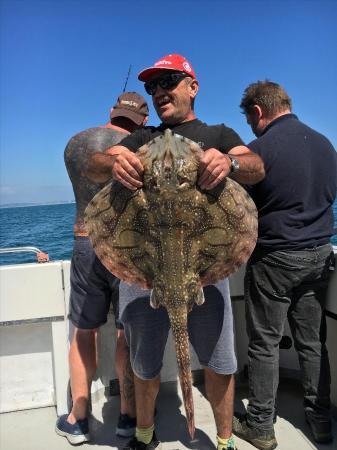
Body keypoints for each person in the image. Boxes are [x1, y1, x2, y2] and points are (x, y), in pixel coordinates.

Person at [87, 54, 265, 450]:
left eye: (169, 81)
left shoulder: (217, 133)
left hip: (205, 271)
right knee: (145, 363)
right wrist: (112, 165)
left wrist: (231, 162)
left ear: (193, 87)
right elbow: (94, 166)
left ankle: (223, 441)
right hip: (145, 271)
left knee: (219, 363)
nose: (159, 92)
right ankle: (145, 433)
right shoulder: (141, 138)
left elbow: (257, 166)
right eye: (152, 86)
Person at [232, 80, 337, 450]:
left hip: (275, 259)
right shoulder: (326, 145)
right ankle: (321, 420)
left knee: (264, 343)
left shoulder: (258, 151)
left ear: (257, 112)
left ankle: (261, 424)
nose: (250, 128)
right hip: (320, 256)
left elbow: (239, 206)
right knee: (312, 342)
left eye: (249, 120)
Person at [55, 92, 149, 445]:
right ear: (141, 119)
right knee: (126, 332)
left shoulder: (76, 144)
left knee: (84, 331)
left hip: (85, 239)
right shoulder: (141, 146)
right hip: (127, 246)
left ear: (111, 112)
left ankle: (78, 418)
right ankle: (127, 416)